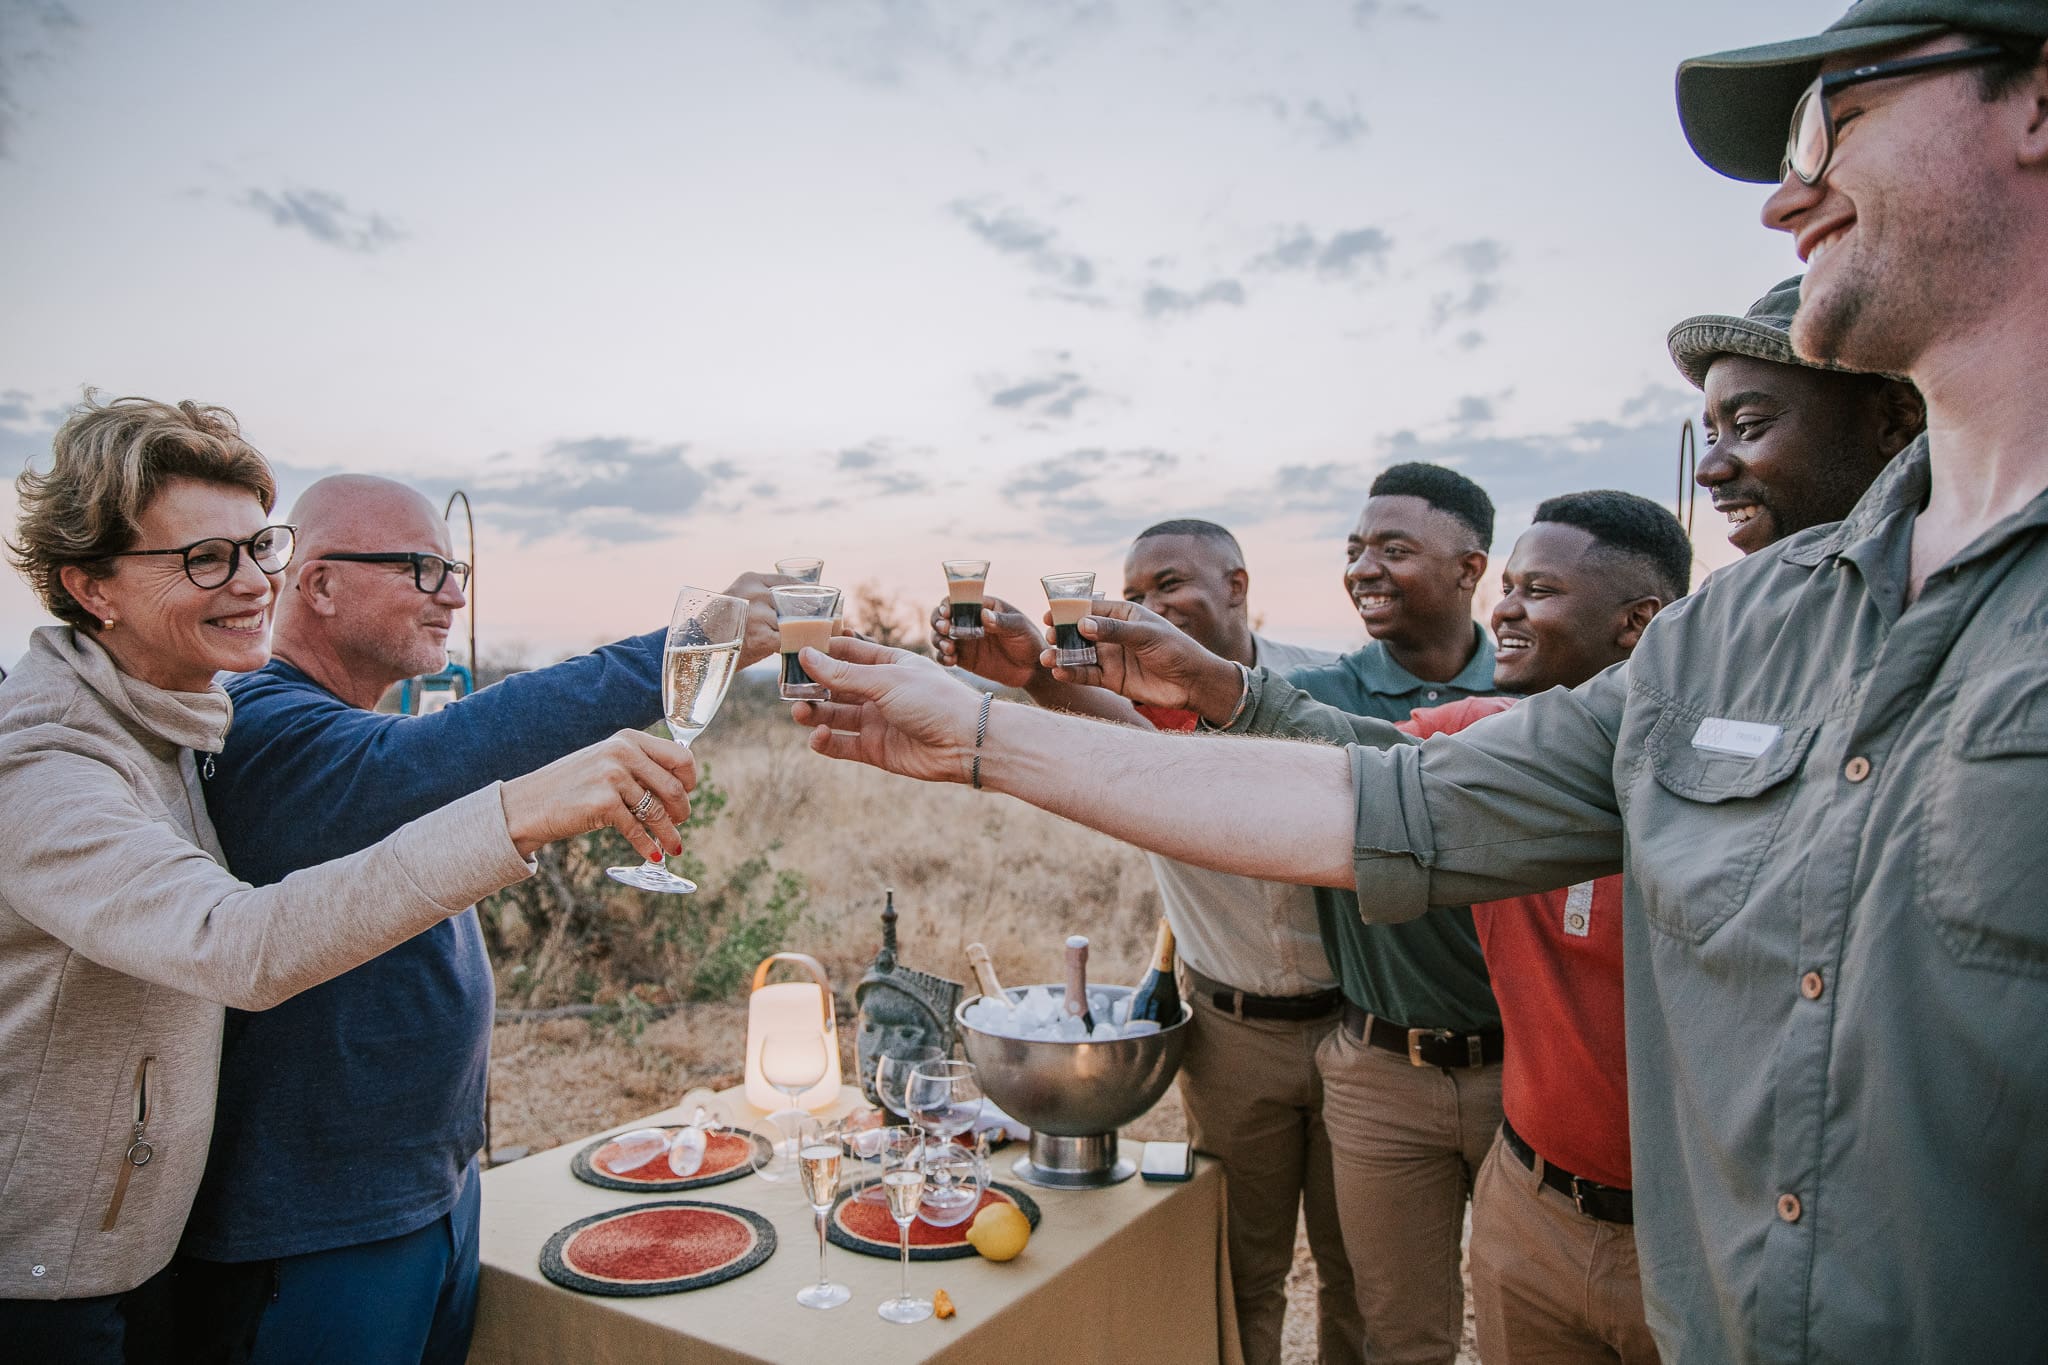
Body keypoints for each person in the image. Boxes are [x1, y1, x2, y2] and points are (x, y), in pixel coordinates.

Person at [786, 5, 2048, 1357]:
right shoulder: (1737, 637)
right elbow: (1388, 799)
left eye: (1833, 121)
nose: (1787, 196)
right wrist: (978, 732)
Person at [0, 396, 698, 1364]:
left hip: (244, 1223)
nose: (252, 584)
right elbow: (238, 941)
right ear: (92, 587)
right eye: (205, 558)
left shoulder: (177, 725)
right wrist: (530, 800)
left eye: (257, 549)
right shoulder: (58, 761)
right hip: (71, 1271)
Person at [172, 473, 784, 1365]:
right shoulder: (262, 722)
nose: (452, 591)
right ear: (318, 585)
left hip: (433, 1193)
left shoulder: (351, 722)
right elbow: (439, 756)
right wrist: (683, 649)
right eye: (421, 568)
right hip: (317, 1225)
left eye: (452, 567)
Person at [933, 519, 1359, 1365]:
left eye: (1170, 584)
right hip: (1231, 1034)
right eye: (1131, 594)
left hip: (1360, 1031)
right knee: (1239, 1271)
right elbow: (1101, 723)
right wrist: (1026, 673)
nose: (1149, 607)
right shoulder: (1145, 711)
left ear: (1237, 585)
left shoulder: (1325, 683)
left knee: (1363, 1281)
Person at [1272, 462, 1501, 1365]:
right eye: (1355, 549)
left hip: (1524, 1070)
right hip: (1382, 1065)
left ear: (1469, 568)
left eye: (1394, 549)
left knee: (1544, 1318)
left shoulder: (1541, 687)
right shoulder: (1327, 697)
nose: (1364, 567)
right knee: (1401, 1335)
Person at [1668, 274, 1924, 553]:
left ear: (1896, 418)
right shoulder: (1735, 593)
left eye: (1747, 425)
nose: (1707, 471)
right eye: (1711, 437)